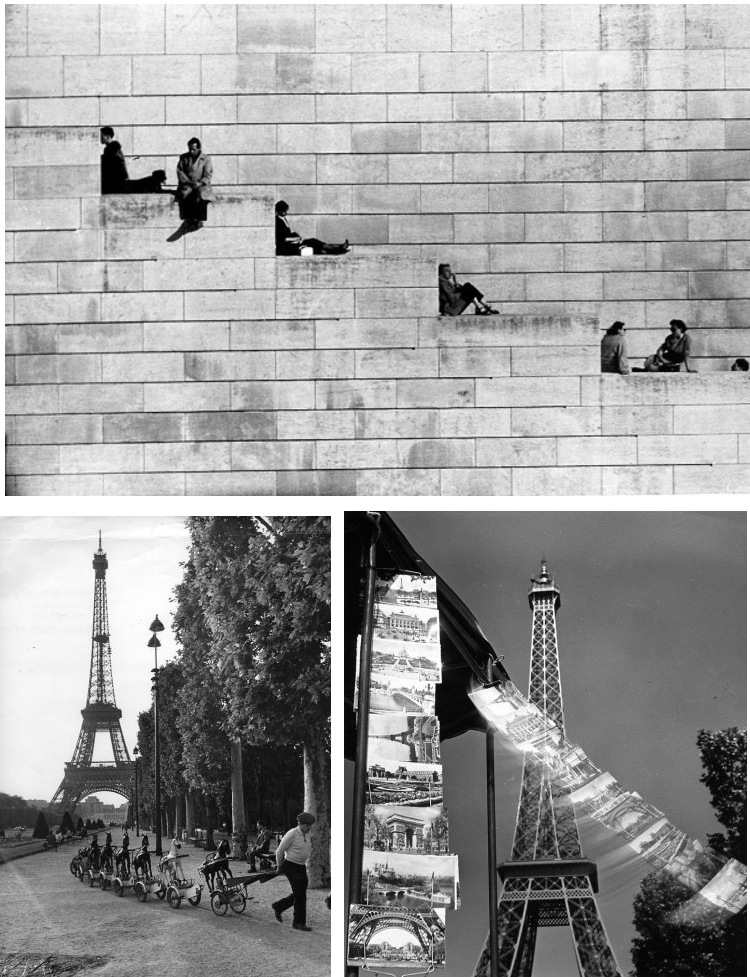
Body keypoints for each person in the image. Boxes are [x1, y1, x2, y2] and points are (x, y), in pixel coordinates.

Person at [271, 811, 315, 931]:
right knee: (300, 895)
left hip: (301, 866)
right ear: (300, 824)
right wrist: (279, 866)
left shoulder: (307, 833)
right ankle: (298, 923)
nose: (310, 827)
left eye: (310, 825)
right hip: (290, 866)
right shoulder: (292, 834)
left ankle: (278, 906)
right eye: (308, 825)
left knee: (300, 893)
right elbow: (279, 851)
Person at [275, 201, 350, 256]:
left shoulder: (282, 219)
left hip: (292, 243)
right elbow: (282, 238)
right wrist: (296, 239)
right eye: (284, 211)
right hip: (287, 246)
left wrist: (295, 235)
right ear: (279, 211)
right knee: (312, 243)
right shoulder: (278, 221)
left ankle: (337, 249)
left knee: (314, 242)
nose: (286, 213)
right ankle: (337, 250)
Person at [176, 137, 213, 229]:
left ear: (199, 148)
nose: (191, 151)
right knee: (187, 195)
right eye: (190, 149)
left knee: (200, 196)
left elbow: (208, 174)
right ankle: (191, 220)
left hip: (201, 185)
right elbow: (180, 172)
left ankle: (198, 220)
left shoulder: (206, 159)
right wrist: (188, 182)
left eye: (193, 149)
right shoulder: (184, 157)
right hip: (187, 184)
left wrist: (200, 183)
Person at [100, 127, 129, 194]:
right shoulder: (114, 148)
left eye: (102, 135)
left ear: (107, 136)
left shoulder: (111, 150)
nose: (100, 138)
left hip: (116, 184)